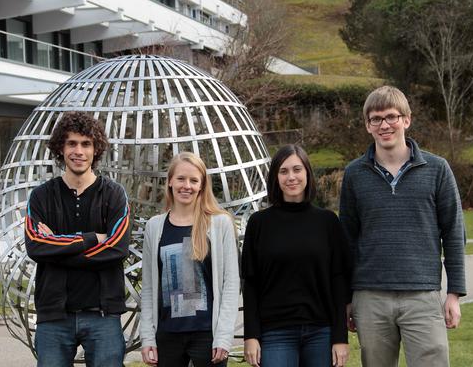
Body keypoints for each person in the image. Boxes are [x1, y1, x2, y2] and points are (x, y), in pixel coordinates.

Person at [339, 85, 466, 367]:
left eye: (391, 117)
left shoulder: (437, 169)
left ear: (406, 120)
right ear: (367, 126)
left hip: (423, 295)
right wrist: (347, 298)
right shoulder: (354, 174)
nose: (384, 125)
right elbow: (346, 241)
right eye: (376, 119)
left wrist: (454, 294)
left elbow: (454, 233)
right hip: (370, 298)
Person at [24, 111, 131, 367]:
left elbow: (117, 249)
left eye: (86, 144)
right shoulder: (41, 196)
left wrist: (58, 250)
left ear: (96, 149)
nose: (78, 151)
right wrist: (92, 238)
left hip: (102, 315)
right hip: (54, 316)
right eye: (71, 143)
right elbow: (36, 246)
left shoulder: (114, 195)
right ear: (61, 148)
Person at [241, 144, 351, 367]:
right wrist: (251, 336)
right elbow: (250, 283)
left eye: (297, 169)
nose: (291, 177)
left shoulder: (328, 222)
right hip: (274, 333)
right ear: (275, 177)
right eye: (283, 171)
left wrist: (340, 337)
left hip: (321, 331)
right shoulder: (259, 223)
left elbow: (339, 281)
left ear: (307, 174)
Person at [139, 152, 240, 367]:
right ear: (169, 182)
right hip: (167, 335)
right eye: (181, 179)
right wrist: (148, 337)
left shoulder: (220, 224)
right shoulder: (155, 226)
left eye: (194, 180)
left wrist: (223, 336)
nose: (187, 186)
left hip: (207, 335)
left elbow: (231, 284)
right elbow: (148, 288)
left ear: (202, 186)